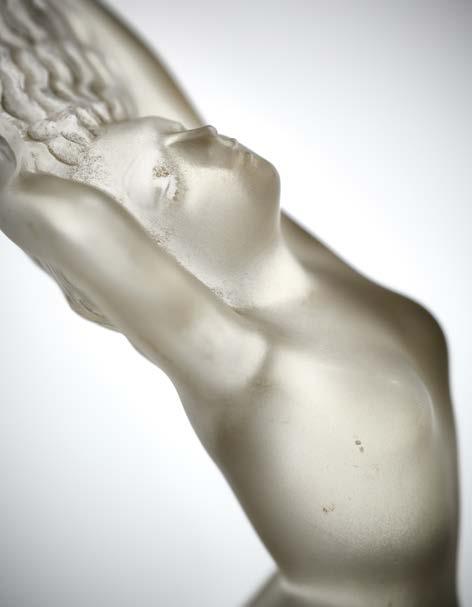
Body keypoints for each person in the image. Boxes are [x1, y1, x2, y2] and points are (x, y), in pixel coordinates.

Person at [0, 1, 460, 605]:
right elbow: (66, 218)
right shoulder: (242, 365)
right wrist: (16, 166)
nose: (202, 137)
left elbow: (144, 87)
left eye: (173, 132)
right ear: (152, 264)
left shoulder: (292, 263)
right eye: (165, 179)